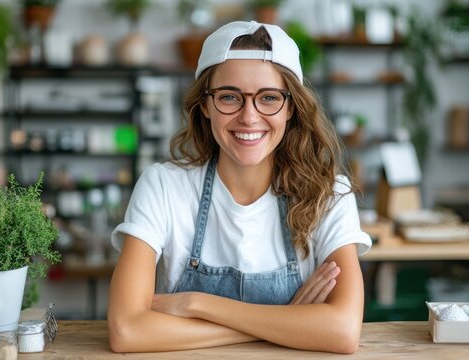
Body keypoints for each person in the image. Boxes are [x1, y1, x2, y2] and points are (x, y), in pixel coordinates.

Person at [107, 20, 372, 354]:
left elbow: (343, 331)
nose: (249, 117)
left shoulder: (328, 194)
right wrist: (288, 321)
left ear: (291, 107)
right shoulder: (163, 187)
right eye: (230, 97)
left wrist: (197, 304)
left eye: (269, 98)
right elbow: (127, 331)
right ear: (204, 104)